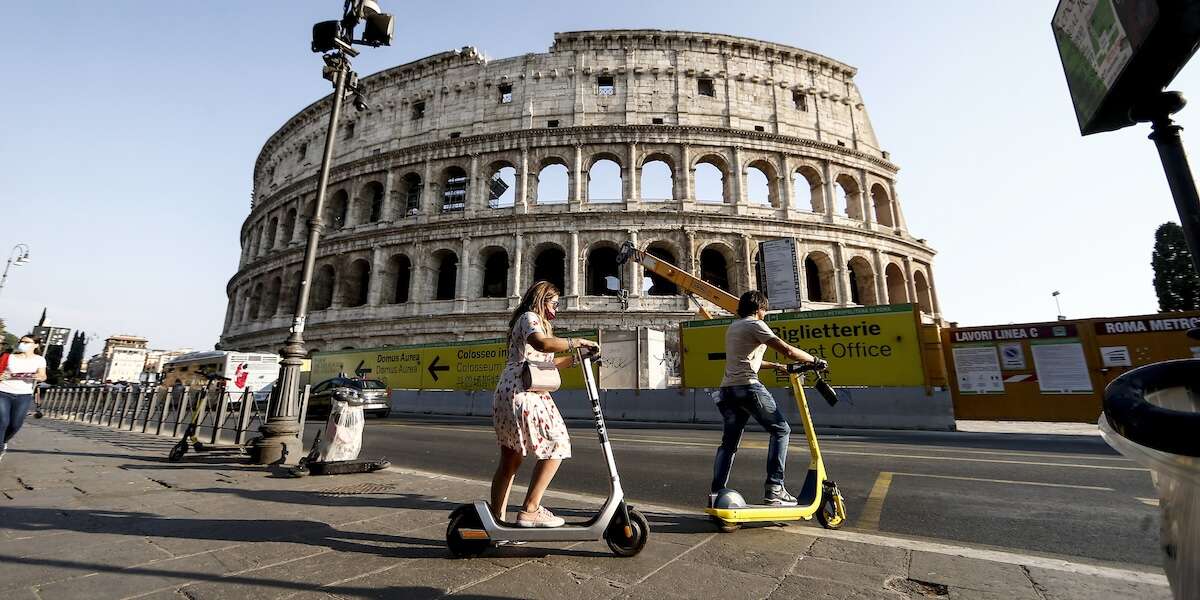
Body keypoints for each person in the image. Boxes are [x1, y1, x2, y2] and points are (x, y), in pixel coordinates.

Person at [490, 281, 599, 527]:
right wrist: (578, 341)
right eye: (554, 303)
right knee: (558, 442)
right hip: (525, 392)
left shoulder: (530, 322)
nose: (557, 309)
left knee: (510, 461)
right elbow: (542, 344)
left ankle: (497, 523)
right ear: (542, 299)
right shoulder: (530, 317)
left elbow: (543, 360)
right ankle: (531, 509)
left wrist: (577, 358)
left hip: (511, 391)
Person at [710, 291, 824, 506]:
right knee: (781, 430)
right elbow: (787, 350)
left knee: (729, 443)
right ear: (758, 309)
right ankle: (775, 489)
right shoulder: (755, 324)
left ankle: (717, 491)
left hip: (728, 391)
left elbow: (747, 359)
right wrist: (815, 359)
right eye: (765, 309)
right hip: (748, 388)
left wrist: (776, 366)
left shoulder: (734, 327)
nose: (766, 313)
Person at [0, 335, 47, 462]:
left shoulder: (39, 360)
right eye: (21, 341)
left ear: (36, 345)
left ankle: (4, 441)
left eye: (27, 342)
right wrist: (2, 376)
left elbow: (43, 376)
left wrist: (38, 376)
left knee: (15, 424)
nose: (22, 344)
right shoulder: (8, 356)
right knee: (2, 422)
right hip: (3, 392)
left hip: (24, 395)